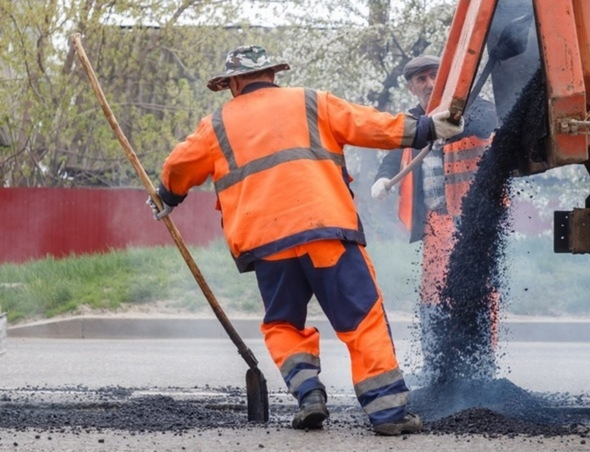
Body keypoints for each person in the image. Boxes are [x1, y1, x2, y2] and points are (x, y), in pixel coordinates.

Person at [145, 45, 463, 436]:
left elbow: (179, 166)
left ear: (232, 83)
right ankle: (388, 413)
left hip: (266, 245)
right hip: (324, 230)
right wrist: (427, 128)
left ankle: (308, 395)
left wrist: (168, 195)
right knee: (362, 318)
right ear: (272, 75)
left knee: (283, 323)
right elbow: (369, 125)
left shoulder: (216, 124)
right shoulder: (311, 101)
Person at [371, 55, 499, 373]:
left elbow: (487, 122)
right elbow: (393, 149)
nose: (428, 84)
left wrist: (452, 123)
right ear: (411, 87)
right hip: (435, 222)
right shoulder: (413, 122)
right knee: (434, 292)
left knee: (480, 291)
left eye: (433, 77)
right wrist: (382, 178)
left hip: (473, 222)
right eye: (421, 80)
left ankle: (481, 366)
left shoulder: (473, 107)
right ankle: (438, 366)